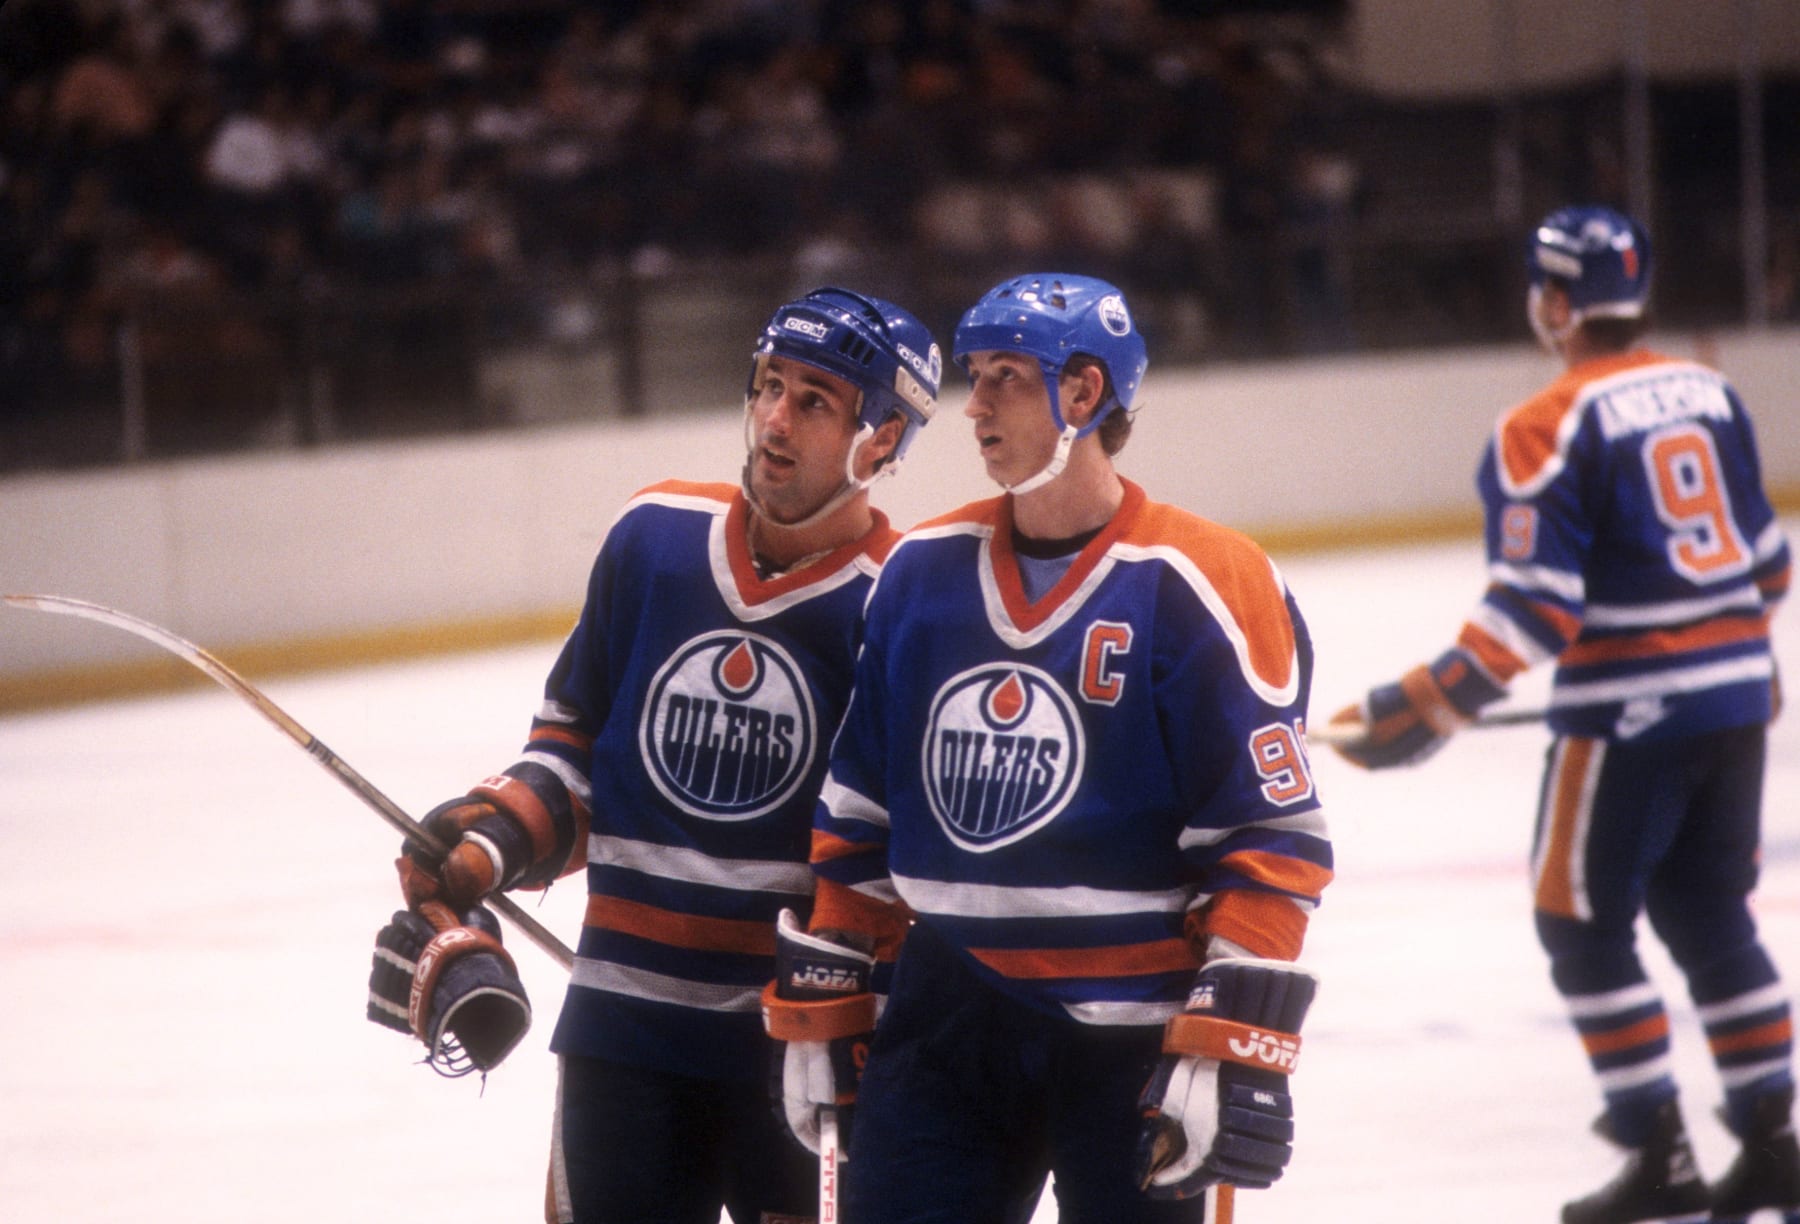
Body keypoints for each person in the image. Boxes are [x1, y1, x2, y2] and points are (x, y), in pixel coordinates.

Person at [761, 273, 1333, 1223]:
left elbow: (1272, 837)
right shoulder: (921, 572)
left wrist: (1229, 1039)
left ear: (1083, 394)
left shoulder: (1205, 580)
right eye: (975, 375)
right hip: (946, 1017)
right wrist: (832, 976)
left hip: (1135, 1032)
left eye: (1007, 378)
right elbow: (859, 809)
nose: (975, 404)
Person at [373, 286, 943, 1223]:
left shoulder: (903, 603)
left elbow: (912, 854)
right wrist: (492, 840)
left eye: (814, 401)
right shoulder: (654, 540)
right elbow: (573, 751)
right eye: (768, 385)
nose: (773, 419)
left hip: (804, 1048)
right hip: (622, 1036)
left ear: (881, 440)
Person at [1325, 205, 1798, 1224]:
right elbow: (1768, 565)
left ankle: (1659, 1154)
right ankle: (1776, 1147)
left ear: (1553, 302)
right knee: (1711, 913)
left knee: (1579, 924)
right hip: (1741, 696)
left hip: (1630, 719)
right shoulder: (1709, 389)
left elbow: (1537, 606)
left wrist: (1428, 702)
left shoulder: (1544, 424)